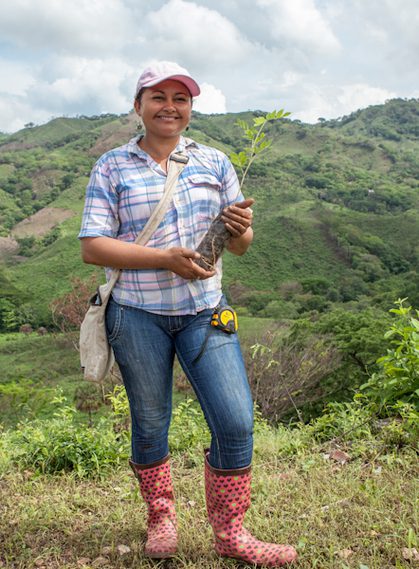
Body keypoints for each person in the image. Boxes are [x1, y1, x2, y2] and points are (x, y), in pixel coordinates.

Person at [79, 61, 297, 567]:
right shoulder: (112, 166)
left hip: (204, 312)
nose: (170, 107)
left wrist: (241, 226)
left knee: (236, 421)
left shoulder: (214, 162)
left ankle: (231, 534)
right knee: (151, 420)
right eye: (158, 97)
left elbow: (240, 246)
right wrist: (165, 259)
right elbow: (92, 246)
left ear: (191, 109)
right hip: (137, 315)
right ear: (139, 107)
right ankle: (161, 516)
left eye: (181, 99)